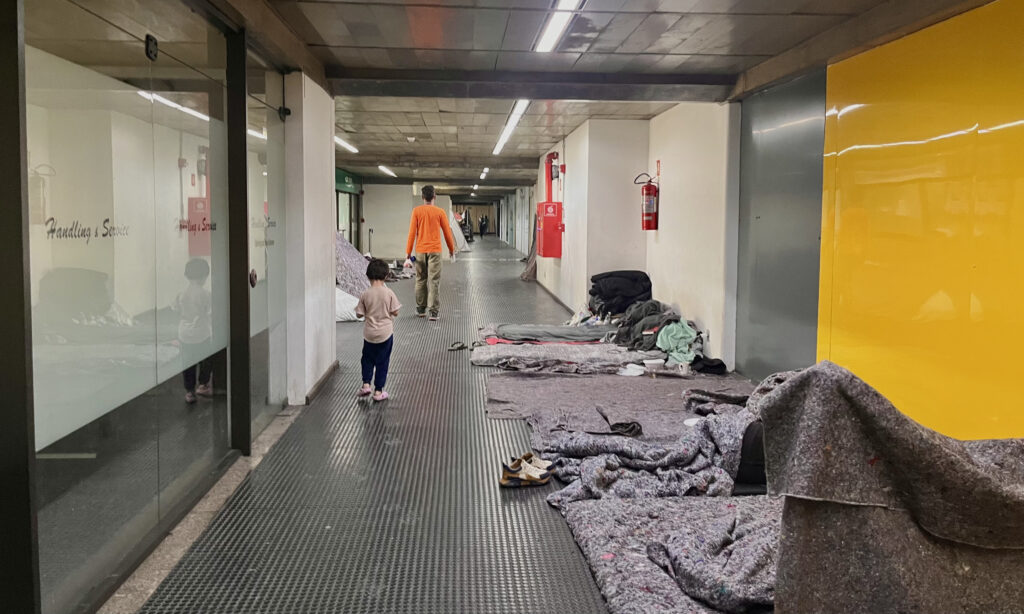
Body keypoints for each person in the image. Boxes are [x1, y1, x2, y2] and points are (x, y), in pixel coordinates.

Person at [405, 185, 456, 321]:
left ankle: (421, 309)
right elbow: (447, 234)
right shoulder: (440, 212)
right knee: (434, 281)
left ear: (422, 197)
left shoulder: (416, 211)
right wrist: (451, 250)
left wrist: (408, 253)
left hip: (420, 250)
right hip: (435, 251)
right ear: (434, 197)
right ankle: (433, 313)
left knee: (420, 280)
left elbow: (411, 234)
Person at [356, 259, 401, 402]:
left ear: (368, 276)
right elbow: (395, 312)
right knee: (383, 362)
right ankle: (378, 391)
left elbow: (359, 314)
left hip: (369, 334)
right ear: (386, 276)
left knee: (367, 359)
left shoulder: (365, 294)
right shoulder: (389, 293)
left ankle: (366, 384)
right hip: (385, 334)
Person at [176, 257, 213, 404]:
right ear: (204, 276)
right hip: (201, 333)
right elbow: (209, 312)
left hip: (184, 333)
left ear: (186, 275)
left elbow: (175, 309)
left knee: (188, 362)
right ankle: (203, 385)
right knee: (206, 359)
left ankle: (189, 392)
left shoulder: (181, 293)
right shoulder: (205, 294)